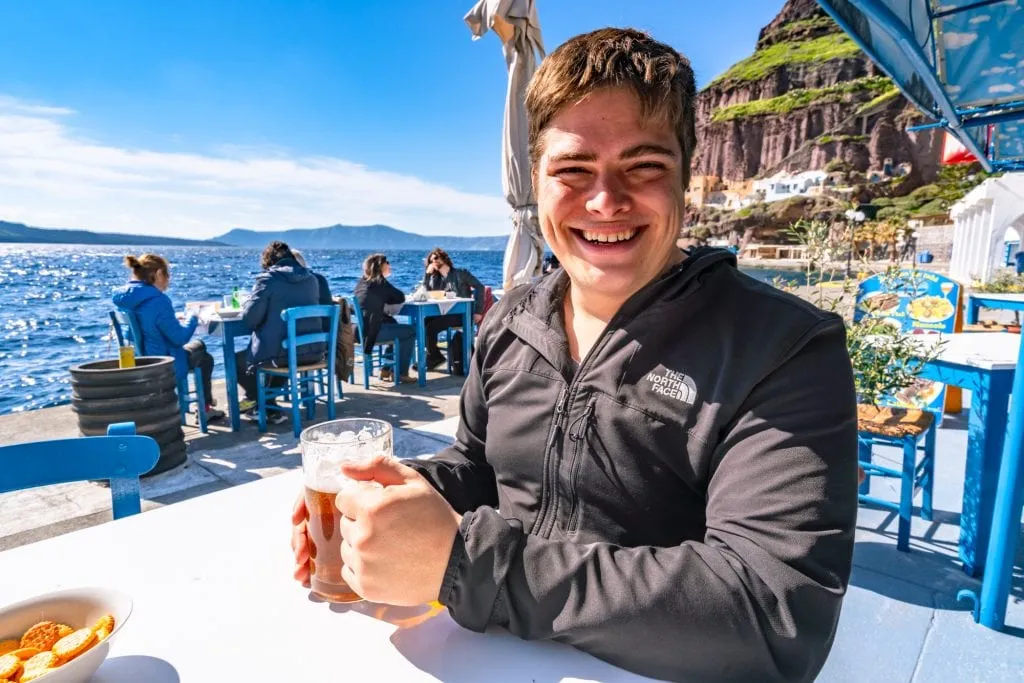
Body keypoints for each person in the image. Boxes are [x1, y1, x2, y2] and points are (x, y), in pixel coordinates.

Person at [290, 28, 857, 683]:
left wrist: (465, 565)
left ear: (687, 180)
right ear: (537, 179)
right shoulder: (510, 319)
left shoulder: (781, 347)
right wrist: (387, 508)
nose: (605, 201)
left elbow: (775, 615)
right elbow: (478, 464)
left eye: (643, 166)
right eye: (573, 170)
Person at [113, 254, 225, 422]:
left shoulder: (124, 299)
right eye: (167, 275)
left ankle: (199, 405)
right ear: (158, 274)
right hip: (164, 363)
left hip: (140, 360)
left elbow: (152, 325)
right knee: (204, 355)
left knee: (198, 347)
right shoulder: (158, 300)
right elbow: (179, 338)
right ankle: (204, 409)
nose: (168, 280)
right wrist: (193, 317)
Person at [237, 241, 322, 425]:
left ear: (269, 262)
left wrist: (248, 303)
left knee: (238, 360)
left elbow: (250, 319)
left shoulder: (269, 279)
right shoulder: (312, 279)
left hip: (284, 356)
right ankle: (268, 405)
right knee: (283, 346)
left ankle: (260, 404)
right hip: (313, 353)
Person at [417, 248, 485, 370]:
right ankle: (434, 356)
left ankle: (434, 357)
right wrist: (427, 275)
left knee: (432, 327)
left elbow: (480, 287)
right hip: (445, 313)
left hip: (462, 314)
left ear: (444, 258)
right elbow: (425, 293)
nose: (434, 262)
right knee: (423, 322)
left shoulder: (461, 273)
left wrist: (478, 311)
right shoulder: (436, 279)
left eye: (436, 258)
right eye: (431, 260)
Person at [353, 254, 415, 383]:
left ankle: (386, 369)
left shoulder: (361, 283)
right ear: (381, 266)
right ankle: (401, 373)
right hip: (371, 333)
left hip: (358, 331)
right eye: (388, 263)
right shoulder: (380, 283)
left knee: (394, 324)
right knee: (410, 332)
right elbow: (400, 297)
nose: (390, 265)